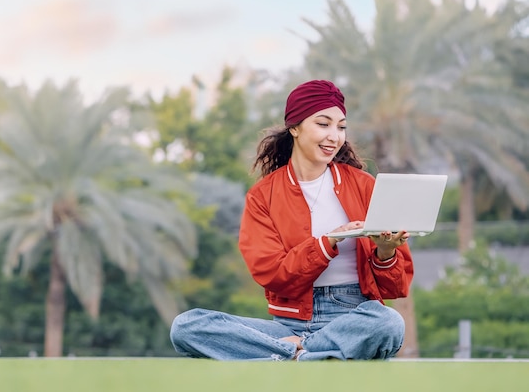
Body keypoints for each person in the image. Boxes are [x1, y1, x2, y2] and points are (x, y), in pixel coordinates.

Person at [169, 79, 414, 361]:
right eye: (323, 124)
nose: (334, 136)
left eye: (341, 127)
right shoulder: (262, 196)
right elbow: (274, 276)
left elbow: (395, 289)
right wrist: (329, 241)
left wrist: (386, 252)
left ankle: (293, 353)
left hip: (353, 319)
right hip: (287, 326)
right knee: (187, 327)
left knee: (388, 323)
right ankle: (306, 353)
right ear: (295, 128)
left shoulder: (364, 186)